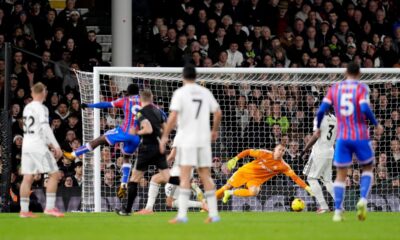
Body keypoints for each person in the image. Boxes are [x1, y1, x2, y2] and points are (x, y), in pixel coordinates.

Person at [316, 62, 383, 222]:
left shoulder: (334, 89)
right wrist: (376, 123)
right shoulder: (361, 88)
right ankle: (363, 199)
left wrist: (318, 127)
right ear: (359, 73)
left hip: (343, 137)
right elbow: (365, 108)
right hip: (360, 134)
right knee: (367, 167)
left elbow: (320, 111)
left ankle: (338, 212)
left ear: (345, 72)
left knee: (340, 174)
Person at [159, 64, 222, 223]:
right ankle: (214, 214)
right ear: (195, 76)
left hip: (187, 139)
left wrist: (165, 135)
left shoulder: (180, 93)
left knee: (185, 176)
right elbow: (218, 112)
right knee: (205, 176)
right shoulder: (205, 92)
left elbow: (173, 116)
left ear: (183, 77)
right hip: (203, 139)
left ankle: (182, 216)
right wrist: (214, 131)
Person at [63, 84, 141, 191]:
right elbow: (159, 114)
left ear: (128, 92)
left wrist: (90, 105)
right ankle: (123, 185)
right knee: (127, 157)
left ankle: (73, 154)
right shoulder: (145, 102)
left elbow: (106, 104)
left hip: (123, 131)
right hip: (136, 136)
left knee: (99, 140)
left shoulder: (125, 100)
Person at [117, 89, 169, 216]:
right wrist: (162, 141)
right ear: (151, 98)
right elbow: (166, 129)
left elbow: (148, 129)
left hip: (146, 149)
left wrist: (137, 132)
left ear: (140, 99)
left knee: (134, 179)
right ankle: (191, 190)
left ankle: (127, 210)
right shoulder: (158, 111)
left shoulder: (140, 113)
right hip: (158, 148)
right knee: (168, 177)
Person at [20, 82, 64, 218]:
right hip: (37, 146)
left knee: (27, 177)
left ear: (33, 93)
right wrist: (56, 145)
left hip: (26, 145)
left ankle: (24, 211)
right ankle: (49, 208)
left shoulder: (27, 108)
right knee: (55, 174)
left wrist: (47, 143)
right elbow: (45, 127)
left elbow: (35, 128)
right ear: (43, 93)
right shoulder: (42, 108)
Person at [216, 144, 313, 203]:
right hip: (245, 172)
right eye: (279, 149)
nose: (281, 152)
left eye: (283, 151)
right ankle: (208, 205)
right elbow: (248, 151)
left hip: (256, 180)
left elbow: (295, 178)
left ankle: (230, 193)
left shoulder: (283, 166)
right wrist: (236, 159)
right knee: (226, 186)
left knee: (254, 192)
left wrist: (307, 187)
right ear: (274, 150)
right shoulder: (264, 153)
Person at [135, 143, 208, 214]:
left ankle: (148, 209)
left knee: (157, 181)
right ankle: (203, 203)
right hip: (187, 172)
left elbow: (172, 156)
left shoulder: (180, 136)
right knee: (169, 200)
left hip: (178, 173)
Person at [301, 108, 336, 213]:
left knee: (311, 178)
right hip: (330, 151)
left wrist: (304, 150)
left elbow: (316, 135)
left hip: (319, 152)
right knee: (327, 180)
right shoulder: (335, 119)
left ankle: (324, 206)